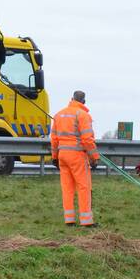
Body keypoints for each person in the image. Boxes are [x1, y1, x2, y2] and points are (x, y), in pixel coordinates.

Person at [50, 90, 99, 227]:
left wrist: (54, 157)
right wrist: (94, 157)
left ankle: (69, 219)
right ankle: (86, 221)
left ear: (71, 98)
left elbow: (54, 139)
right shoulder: (83, 115)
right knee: (84, 187)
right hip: (77, 156)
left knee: (67, 188)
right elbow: (87, 139)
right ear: (84, 101)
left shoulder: (58, 115)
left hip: (62, 156)